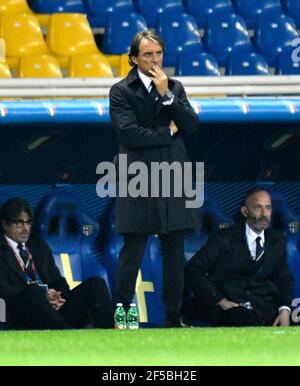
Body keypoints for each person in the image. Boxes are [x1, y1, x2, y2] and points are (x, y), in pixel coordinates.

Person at [109, 30, 200, 327]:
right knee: (133, 247)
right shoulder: (121, 90)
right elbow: (130, 135)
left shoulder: (174, 86)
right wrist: (169, 132)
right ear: (134, 58)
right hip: (137, 177)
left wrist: (167, 95)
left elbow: (192, 124)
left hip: (173, 175)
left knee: (174, 249)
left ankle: (173, 319)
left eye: (158, 53)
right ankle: (123, 314)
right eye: (147, 54)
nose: (154, 60)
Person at [184, 188, 293, 327]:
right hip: (229, 310)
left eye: (268, 208)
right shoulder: (224, 238)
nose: (264, 214)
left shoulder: (277, 240)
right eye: (258, 208)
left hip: (264, 309)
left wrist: (285, 310)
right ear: (245, 211)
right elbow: (193, 270)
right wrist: (221, 301)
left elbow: (283, 279)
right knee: (244, 319)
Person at [0, 197, 114, 330]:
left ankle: (110, 335)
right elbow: (4, 292)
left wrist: (58, 297)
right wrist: (43, 296)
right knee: (33, 292)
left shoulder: (38, 247)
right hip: (22, 314)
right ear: (5, 224)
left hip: (53, 310)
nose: (25, 229)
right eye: (19, 223)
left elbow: (58, 281)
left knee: (96, 284)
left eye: (28, 223)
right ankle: (67, 334)